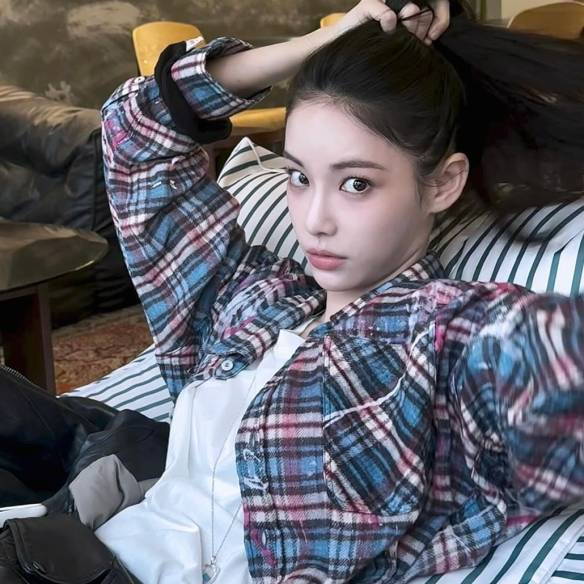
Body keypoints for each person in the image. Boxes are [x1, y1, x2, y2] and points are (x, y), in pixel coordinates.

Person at [96, 0, 584, 582]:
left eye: (356, 184)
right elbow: (134, 135)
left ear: (443, 183)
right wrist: (313, 47)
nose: (314, 221)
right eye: (299, 177)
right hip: (79, 555)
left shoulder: (443, 338)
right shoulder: (251, 300)